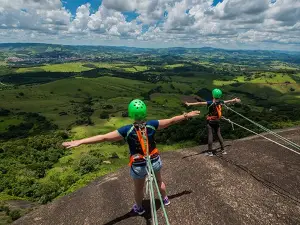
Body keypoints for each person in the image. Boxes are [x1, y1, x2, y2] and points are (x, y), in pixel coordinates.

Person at [62, 99, 200, 215]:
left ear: (131, 114)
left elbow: (104, 138)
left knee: (138, 189)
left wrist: (80, 141)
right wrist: (187, 115)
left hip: (139, 165)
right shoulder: (152, 125)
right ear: (144, 112)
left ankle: (139, 208)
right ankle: (165, 199)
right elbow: (171, 121)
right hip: (155, 160)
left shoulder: (126, 130)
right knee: (159, 181)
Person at [185, 89, 240, 156]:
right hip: (217, 121)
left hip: (210, 121)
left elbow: (200, 103)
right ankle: (223, 150)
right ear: (220, 96)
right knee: (219, 135)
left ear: (213, 95)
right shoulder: (221, 102)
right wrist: (234, 100)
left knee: (210, 136)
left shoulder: (210, 102)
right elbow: (228, 101)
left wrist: (189, 104)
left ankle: (210, 152)